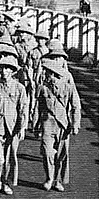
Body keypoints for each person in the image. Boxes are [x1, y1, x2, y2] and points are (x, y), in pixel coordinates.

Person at [0, 57, 28, 197]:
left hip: (13, 127)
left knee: (10, 157)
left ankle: (6, 182)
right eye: (1, 68)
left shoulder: (19, 88)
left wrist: (22, 128)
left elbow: (23, 109)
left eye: (7, 68)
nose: (4, 71)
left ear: (13, 71)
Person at [37, 60, 81, 192]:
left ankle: (56, 180)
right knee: (46, 151)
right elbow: (37, 107)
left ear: (53, 74)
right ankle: (49, 178)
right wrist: (35, 125)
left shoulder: (67, 87)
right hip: (47, 123)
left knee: (60, 155)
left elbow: (75, 106)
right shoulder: (43, 88)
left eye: (47, 73)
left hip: (63, 124)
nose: (45, 75)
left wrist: (75, 124)